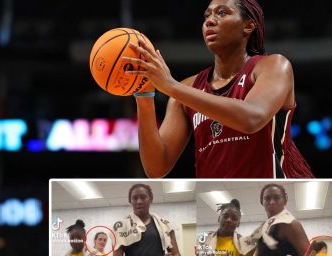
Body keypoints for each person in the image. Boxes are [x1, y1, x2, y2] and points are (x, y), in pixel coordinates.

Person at [123, 0, 314, 178]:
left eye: (222, 13)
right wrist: (144, 96)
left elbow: (252, 118)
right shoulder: (187, 88)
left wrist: (170, 86)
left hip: (268, 198)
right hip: (216, 205)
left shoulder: (273, 66)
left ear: (248, 25)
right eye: (207, 16)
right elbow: (156, 167)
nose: (210, 21)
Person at [227, 184, 321, 256]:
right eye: (267, 198)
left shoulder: (291, 224)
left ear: (285, 199)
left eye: (276, 197)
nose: (272, 202)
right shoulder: (262, 230)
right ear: (262, 201)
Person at [104, 184, 182, 256]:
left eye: (143, 197)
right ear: (130, 201)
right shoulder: (121, 228)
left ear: (150, 199)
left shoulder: (165, 225)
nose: (139, 201)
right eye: (135, 198)